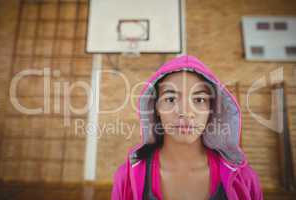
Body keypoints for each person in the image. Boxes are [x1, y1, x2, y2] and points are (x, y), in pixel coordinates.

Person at [111, 55, 264, 200]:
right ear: (155, 107)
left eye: (199, 99)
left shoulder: (245, 179)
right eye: (170, 99)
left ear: (212, 109)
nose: (185, 112)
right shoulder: (126, 178)